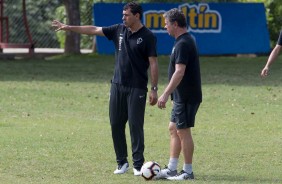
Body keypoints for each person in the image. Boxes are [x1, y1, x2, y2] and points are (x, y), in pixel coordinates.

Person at [52, 2, 158, 176]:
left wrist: (153, 89)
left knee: (135, 126)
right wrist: (68, 27)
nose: (123, 18)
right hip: (117, 85)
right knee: (116, 124)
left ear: (137, 16)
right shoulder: (118, 30)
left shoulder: (148, 36)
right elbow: (93, 29)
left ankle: (138, 165)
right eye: (123, 15)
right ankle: (122, 162)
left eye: (127, 15)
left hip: (137, 88)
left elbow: (153, 63)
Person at [156, 8, 202, 180]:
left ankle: (188, 171)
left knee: (183, 131)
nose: (165, 27)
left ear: (175, 24)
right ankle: (172, 168)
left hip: (187, 95)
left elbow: (179, 72)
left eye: (166, 24)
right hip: (181, 96)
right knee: (173, 128)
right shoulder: (183, 40)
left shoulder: (183, 43)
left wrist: (165, 94)